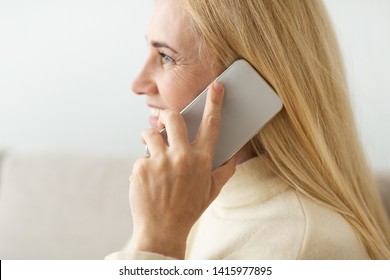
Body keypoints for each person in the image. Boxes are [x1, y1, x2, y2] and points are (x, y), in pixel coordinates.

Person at [106, 0, 390, 259]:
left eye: (166, 57)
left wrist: (158, 241)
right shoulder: (185, 190)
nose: (138, 83)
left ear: (248, 83)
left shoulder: (304, 244)